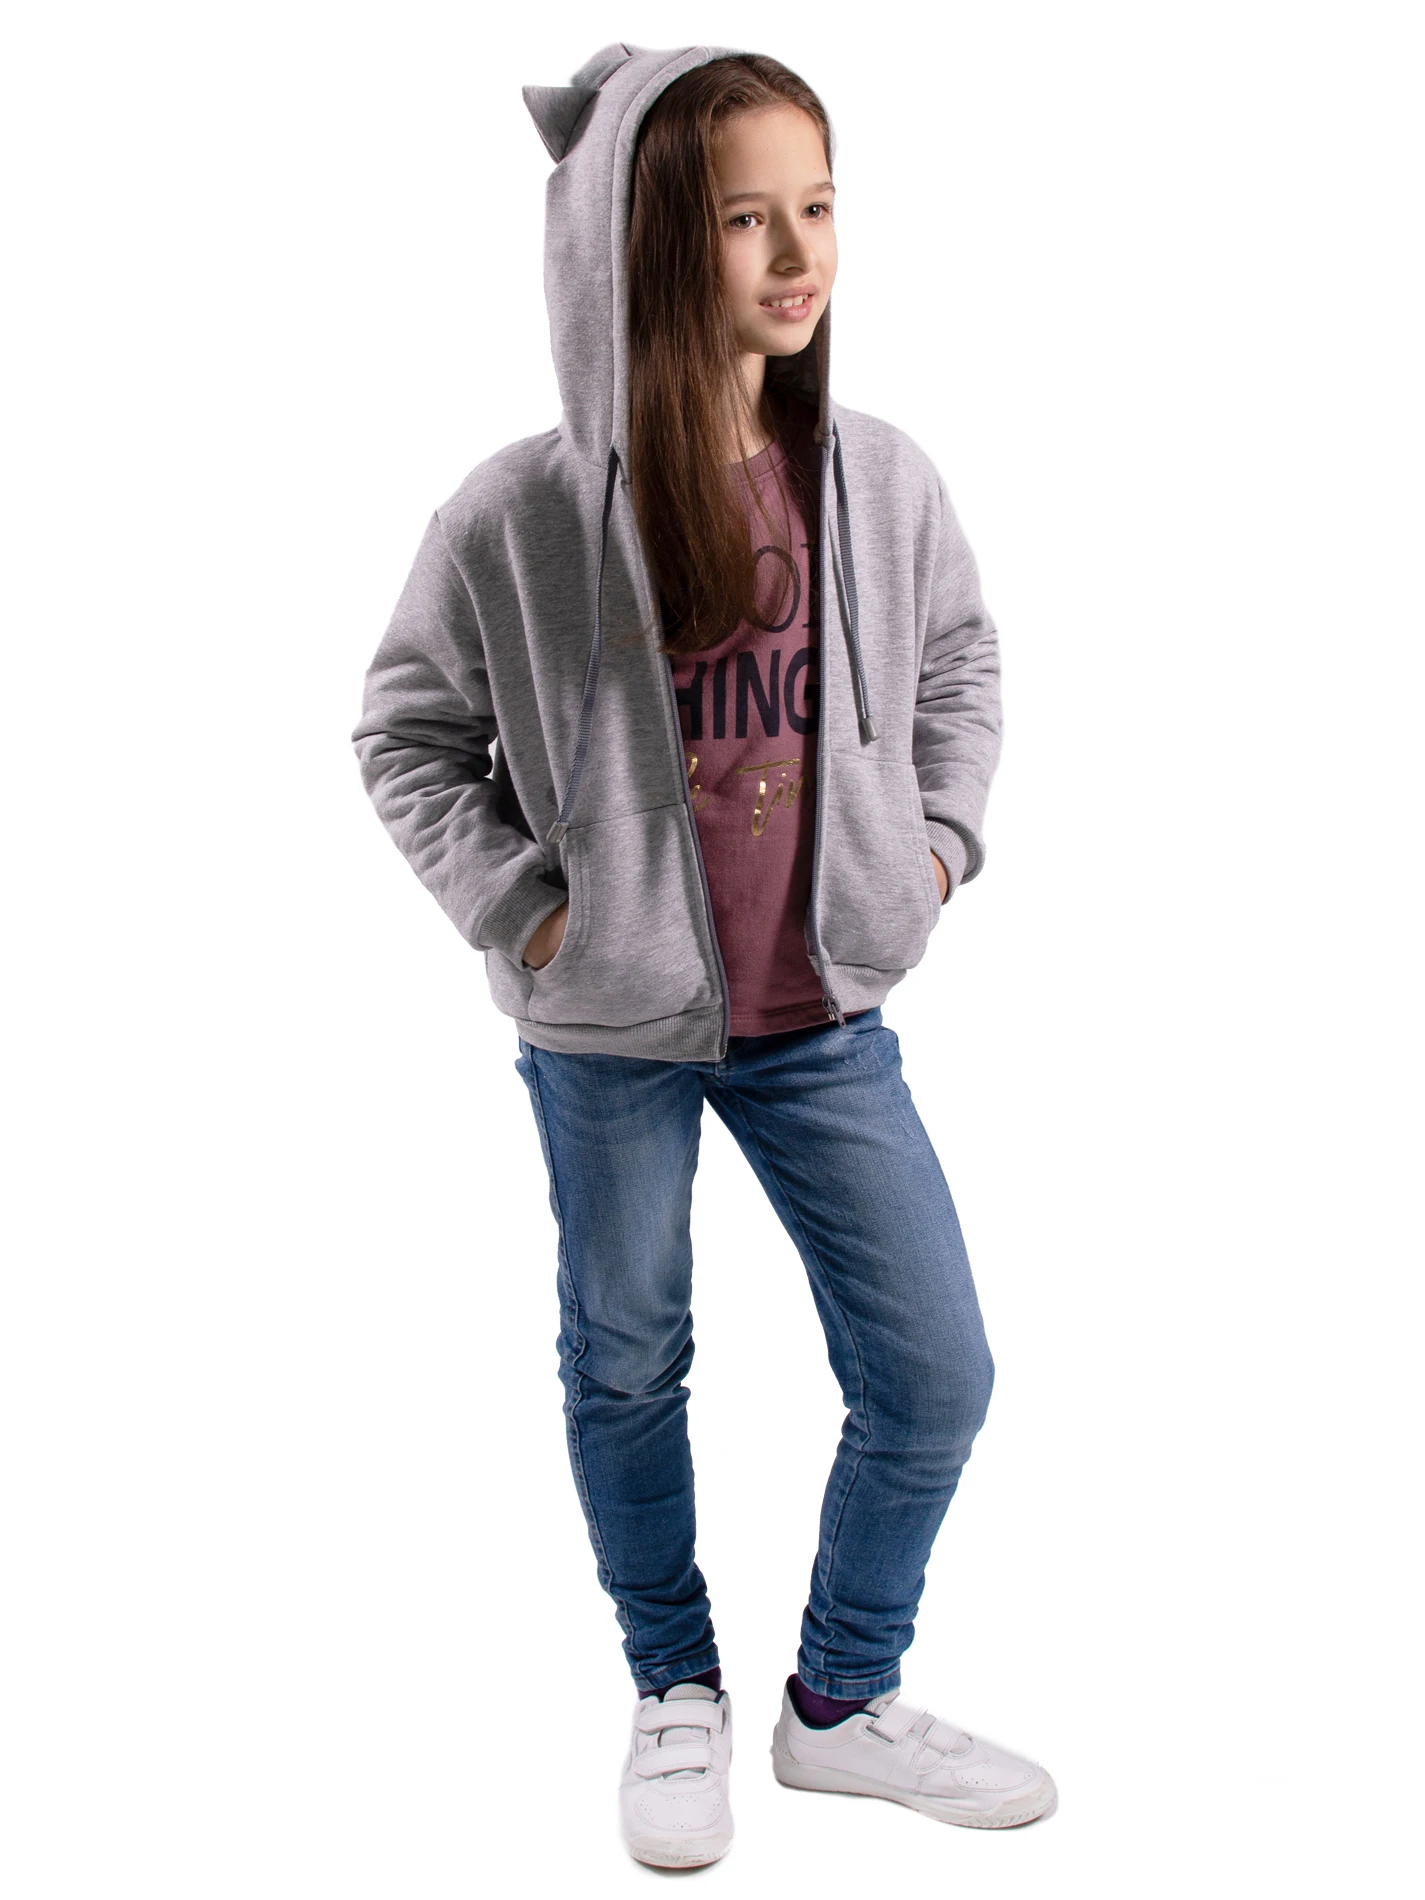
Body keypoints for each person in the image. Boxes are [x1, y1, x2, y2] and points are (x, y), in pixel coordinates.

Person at [351, 40, 1056, 1870]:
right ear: (644, 247)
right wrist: (529, 908)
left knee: (937, 1371)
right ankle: (676, 1688)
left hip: (821, 1014)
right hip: (609, 1029)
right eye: (748, 220)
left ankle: (840, 1701)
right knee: (626, 1356)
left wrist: (938, 844)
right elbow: (405, 733)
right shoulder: (517, 516)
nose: (798, 254)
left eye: (818, 208)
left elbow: (962, 660)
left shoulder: (877, 480)